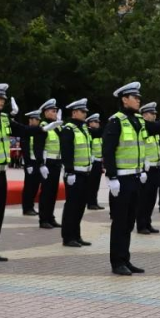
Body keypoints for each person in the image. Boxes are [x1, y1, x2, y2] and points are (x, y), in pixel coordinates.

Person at [102, 82, 160, 275]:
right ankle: (117, 262)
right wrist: (111, 177)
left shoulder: (138, 121)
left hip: (136, 178)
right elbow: (108, 150)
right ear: (124, 99)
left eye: (139, 97)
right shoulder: (116, 121)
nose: (138, 100)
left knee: (129, 222)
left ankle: (125, 259)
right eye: (135, 97)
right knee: (120, 222)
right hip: (121, 180)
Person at [0, 84, 57, 263]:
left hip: (1, 173)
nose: (2, 102)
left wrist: (42, 129)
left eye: (4, 99)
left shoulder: (4, 119)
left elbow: (22, 130)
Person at [59, 98, 100, 248]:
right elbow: (66, 151)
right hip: (74, 174)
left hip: (85, 173)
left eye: (85, 112)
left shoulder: (83, 129)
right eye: (82, 112)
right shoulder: (68, 129)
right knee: (72, 206)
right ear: (74, 112)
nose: (84, 114)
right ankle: (68, 237)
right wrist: (69, 171)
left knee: (80, 206)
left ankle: (76, 235)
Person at [34, 99, 63, 230]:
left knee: (53, 192)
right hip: (47, 163)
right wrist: (41, 164)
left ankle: (50, 217)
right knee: (46, 192)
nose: (55, 113)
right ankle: (43, 219)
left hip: (56, 163)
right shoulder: (43, 127)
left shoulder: (56, 127)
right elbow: (38, 147)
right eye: (53, 111)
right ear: (46, 112)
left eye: (56, 111)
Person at [136, 102, 160, 235]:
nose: (154, 116)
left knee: (152, 198)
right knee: (143, 199)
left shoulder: (154, 131)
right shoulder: (142, 129)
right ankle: (141, 225)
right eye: (152, 114)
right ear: (145, 115)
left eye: (155, 114)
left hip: (155, 168)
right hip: (145, 170)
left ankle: (148, 222)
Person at [20, 110, 43, 216]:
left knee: (35, 186)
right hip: (30, 163)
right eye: (36, 119)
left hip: (37, 162)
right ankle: (27, 208)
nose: (38, 121)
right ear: (30, 120)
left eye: (39, 119)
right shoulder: (26, 131)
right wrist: (28, 164)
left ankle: (31, 206)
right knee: (29, 186)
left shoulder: (38, 131)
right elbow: (25, 149)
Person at [85, 113, 106, 211]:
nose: (98, 124)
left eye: (98, 122)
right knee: (91, 184)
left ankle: (94, 202)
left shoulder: (98, 134)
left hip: (98, 162)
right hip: (92, 162)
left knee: (96, 184)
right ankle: (90, 203)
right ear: (90, 122)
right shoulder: (89, 132)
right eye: (95, 122)